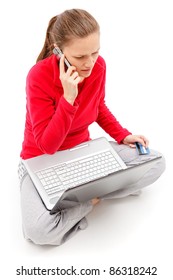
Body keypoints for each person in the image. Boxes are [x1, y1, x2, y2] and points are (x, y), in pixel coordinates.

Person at [18, 8, 165, 246]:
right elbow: (48, 146)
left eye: (95, 52)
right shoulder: (38, 76)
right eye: (79, 57)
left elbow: (98, 107)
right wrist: (68, 99)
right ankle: (88, 200)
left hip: (84, 152)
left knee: (156, 162)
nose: (90, 63)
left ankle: (74, 195)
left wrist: (123, 135)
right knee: (37, 231)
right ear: (58, 50)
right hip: (41, 160)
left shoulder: (98, 67)